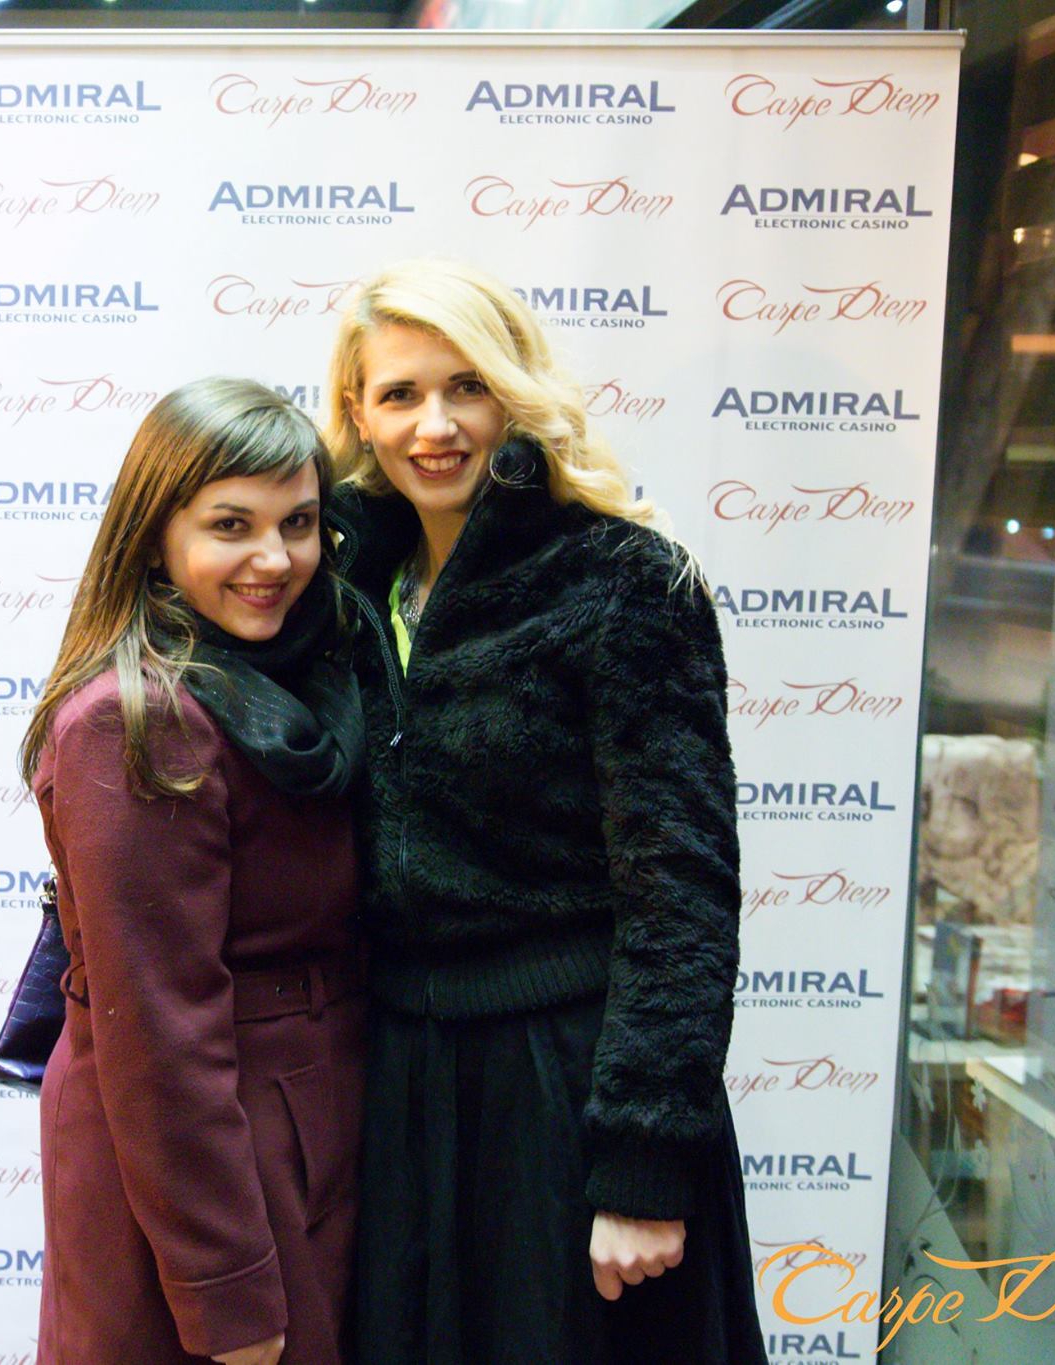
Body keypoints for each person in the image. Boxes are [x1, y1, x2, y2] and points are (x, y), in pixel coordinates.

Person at [320, 260, 769, 1364]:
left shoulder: (622, 580)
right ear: (357, 415)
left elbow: (680, 888)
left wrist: (643, 1164)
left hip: (564, 1085)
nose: (434, 425)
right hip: (395, 1084)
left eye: (465, 386)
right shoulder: (336, 591)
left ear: (514, 395)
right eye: (399, 393)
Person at [21, 377, 368, 1365]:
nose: (275, 559)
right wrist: (227, 1293)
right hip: (206, 1166)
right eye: (230, 525)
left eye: (298, 523)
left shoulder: (300, 680)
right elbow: (159, 1029)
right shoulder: (134, 721)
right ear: (154, 538)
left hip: (296, 1124)